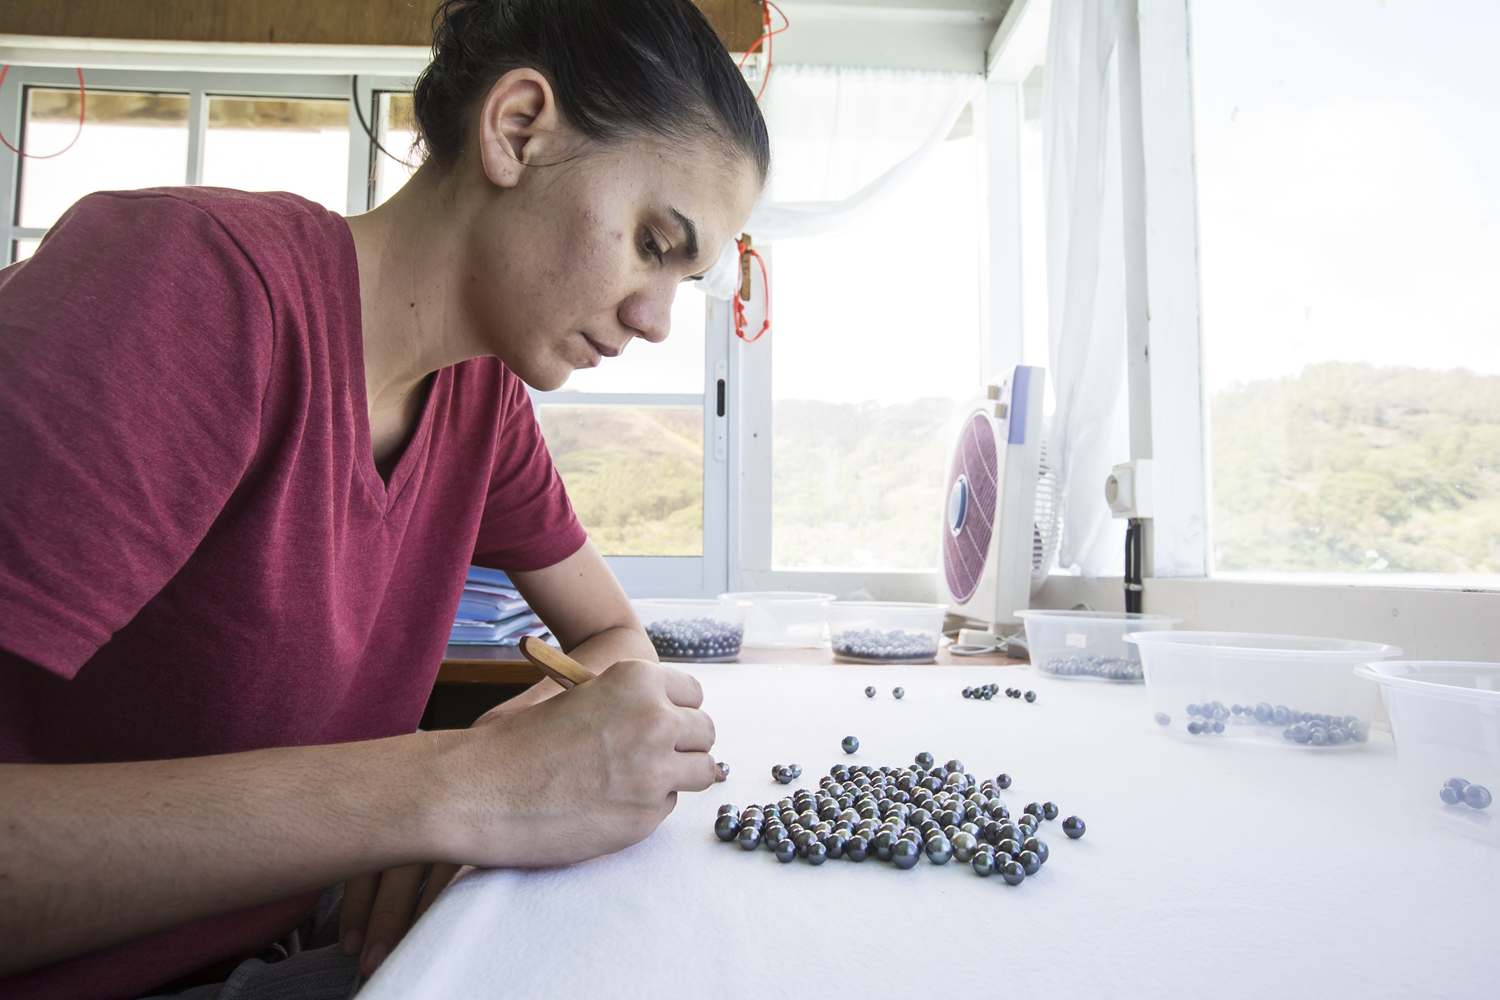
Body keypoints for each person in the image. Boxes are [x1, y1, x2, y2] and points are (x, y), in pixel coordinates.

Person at [0, 0, 767, 996]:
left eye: (687, 279)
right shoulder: (194, 285)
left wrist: (505, 764)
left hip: (290, 927)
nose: (657, 320)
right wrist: (458, 788)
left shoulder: (480, 401)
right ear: (517, 130)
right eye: (653, 242)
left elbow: (613, 637)